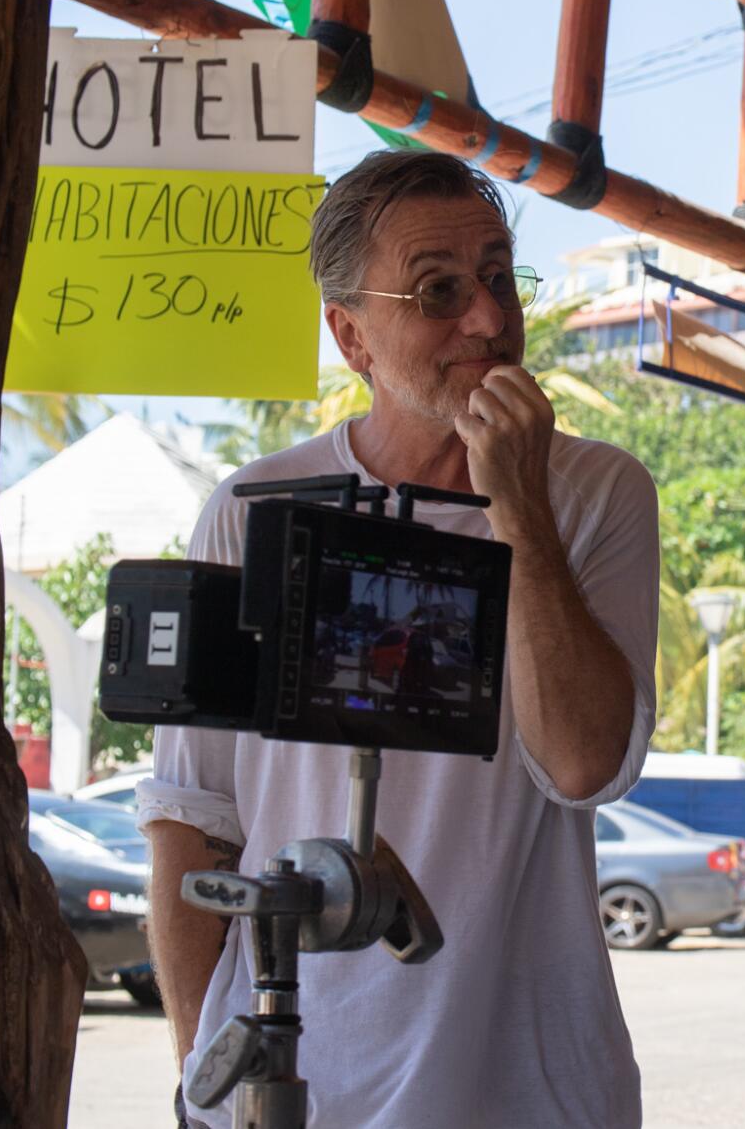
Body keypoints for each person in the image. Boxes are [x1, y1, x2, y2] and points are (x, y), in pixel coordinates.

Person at [135, 150, 658, 1129]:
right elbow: (192, 824)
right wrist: (197, 1075)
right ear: (352, 337)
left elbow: (585, 761)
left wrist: (518, 505)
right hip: (288, 1088)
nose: (489, 319)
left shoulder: (596, 495)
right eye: (437, 290)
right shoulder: (253, 509)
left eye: (499, 276)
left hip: (523, 1094)